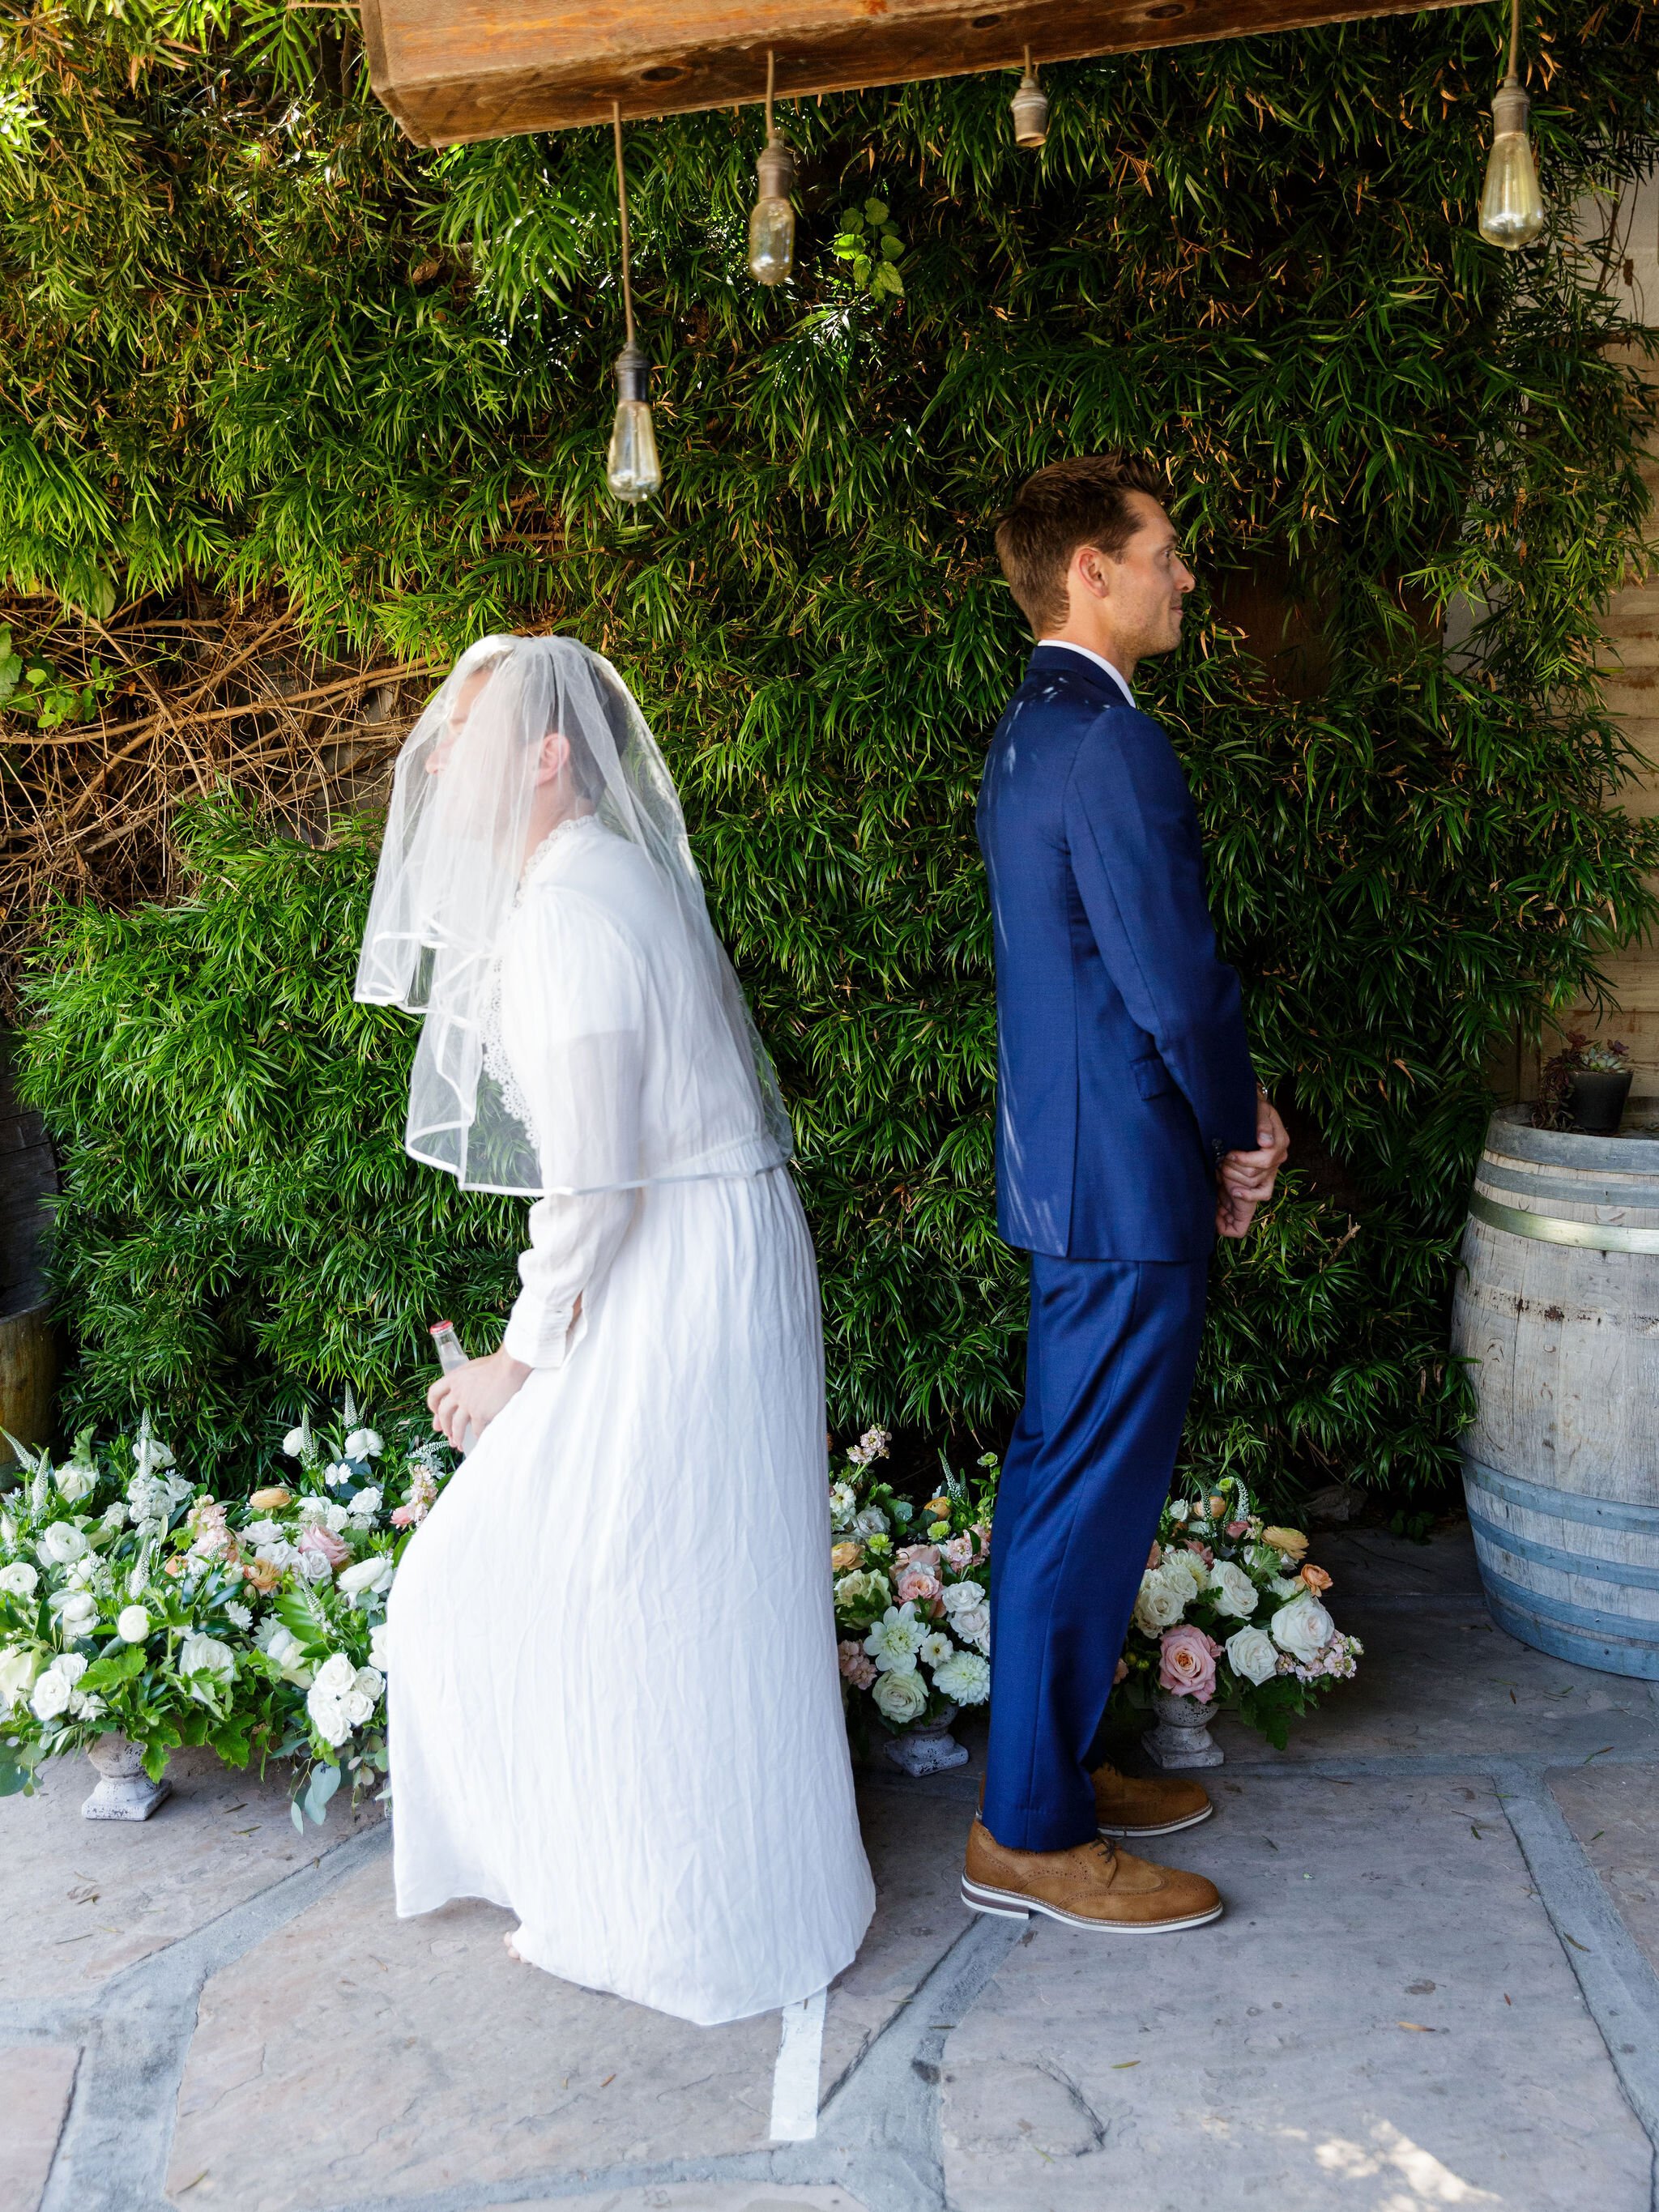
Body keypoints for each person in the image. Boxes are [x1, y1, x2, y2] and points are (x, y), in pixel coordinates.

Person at [355, 633, 874, 2026]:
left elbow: (593, 1176)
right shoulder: (602, 875)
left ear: (548, 755)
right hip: (709, 1246)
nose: (440, 766)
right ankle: (718, 1888)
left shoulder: (567, 913)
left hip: (679, 1265)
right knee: (684, 1577)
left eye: (466, 738)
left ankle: (669, 1913)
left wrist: (514, 1365)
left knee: (554, 1574)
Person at [965, 457, 1290, 1933]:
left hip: (1078, 1169)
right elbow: (1170, 982)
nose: (1183, 575)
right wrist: (1240, 1128)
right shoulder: (1107, 745)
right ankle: (1028, 1832)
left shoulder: (1041, 731)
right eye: (1163, 552)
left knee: (1068, 1485)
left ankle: (1056, 1771)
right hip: (1122, 1178)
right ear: (1092, 569)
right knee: (1081, 1497)